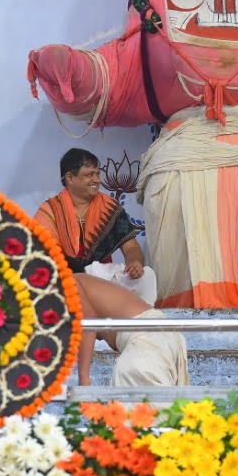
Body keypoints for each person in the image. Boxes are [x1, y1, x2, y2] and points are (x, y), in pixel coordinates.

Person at [35, 148, 157, 385]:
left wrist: (134, 262)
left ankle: (136, 331)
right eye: (89, 174)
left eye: (98, 173)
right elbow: (41, 258)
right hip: (67, 285)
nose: (97, 180)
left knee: (147, 277)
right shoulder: (49, 212)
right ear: (70, 178)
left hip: (100, 279)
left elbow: (131, 246)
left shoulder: (110, 208)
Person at [73, 273, 188, 387]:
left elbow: (88, 322)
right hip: (161, 337)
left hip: (147, 338)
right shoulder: (82, 286)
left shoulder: (68, 282)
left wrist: (84, 380)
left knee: (137, 394)